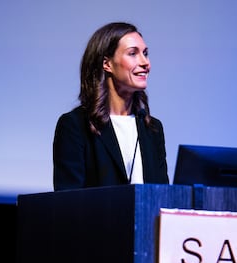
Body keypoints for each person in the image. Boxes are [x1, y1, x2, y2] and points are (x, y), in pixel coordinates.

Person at [53, 22, 169, 191]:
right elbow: (69, 202)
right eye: (133, 54)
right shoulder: (75, 126)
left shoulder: (152, 128)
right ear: (107, 64)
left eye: (145, 53)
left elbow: (162, 196)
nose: (145, 63)